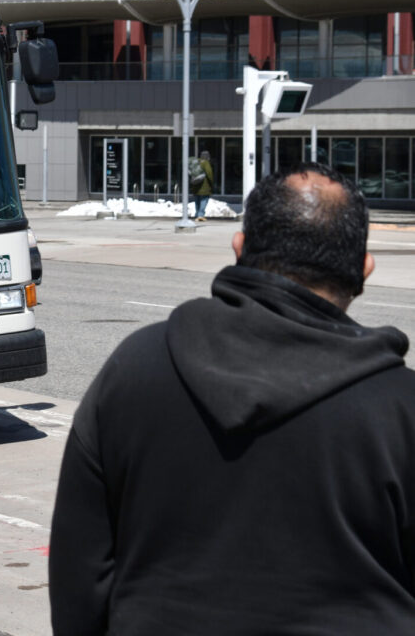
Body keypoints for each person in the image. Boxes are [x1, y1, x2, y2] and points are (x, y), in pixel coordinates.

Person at [50, 162, 415, 635]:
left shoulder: (134, 368)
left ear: (239, 248)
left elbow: (79, 575)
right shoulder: (400, 407)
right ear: (364, 267)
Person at [190, 149, 214, 221]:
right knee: (204, 200)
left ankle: (197, 214)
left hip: (195, 185)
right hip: (204, 186)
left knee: (197, 200)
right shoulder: (206, 163)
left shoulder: (196, 162)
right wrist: (212, 182)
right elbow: (209, 173)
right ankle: (200, 215)